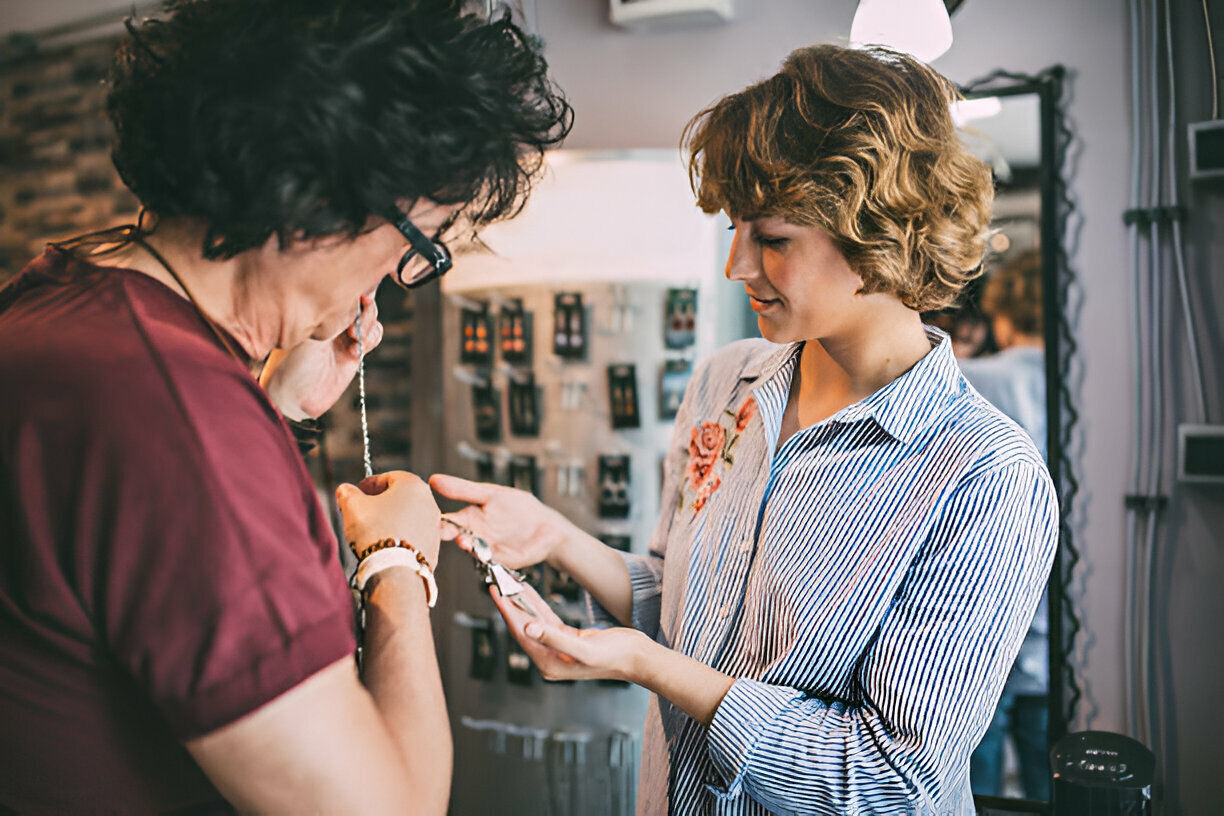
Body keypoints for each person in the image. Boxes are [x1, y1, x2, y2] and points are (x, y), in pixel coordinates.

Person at [431, 44, 1057, 815]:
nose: (737, 266)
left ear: (878, 233)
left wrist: (654, 670)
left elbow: (894, 781)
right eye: (736, 231)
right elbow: (687, 607)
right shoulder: (725, 385)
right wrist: (558, 538)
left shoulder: (985, 476)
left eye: (772, 240)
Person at [0, 0, 570, 813]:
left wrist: (277, 408)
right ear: (327, 200)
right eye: (422, 245)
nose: (391, 283)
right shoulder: (182, 429)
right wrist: (397, 564)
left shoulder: (58, 297)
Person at [960, 249, 1051, 800]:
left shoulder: (971, 380)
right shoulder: (1092, 389)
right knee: (1051, 787)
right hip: (1059, 627)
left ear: (1002, 312)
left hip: (979, 623)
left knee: (973, 790)